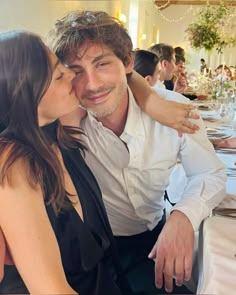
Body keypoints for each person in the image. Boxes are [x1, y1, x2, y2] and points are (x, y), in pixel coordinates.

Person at [47, 10, 226, 295]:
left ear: (128, 62)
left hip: (151, 240)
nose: (92, 84)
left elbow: (210, 172)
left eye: (103, 64)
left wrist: (183, 216)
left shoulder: (175, 111)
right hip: (91, 252)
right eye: (76, 71)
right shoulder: (67, 116)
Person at [0, 30, 129, 295]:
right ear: (27, 94)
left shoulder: (56, 132)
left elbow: (115, 78)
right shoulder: (14, 164)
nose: (72, 76)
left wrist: (154, 99)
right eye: (60, 74)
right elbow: (52, 291)